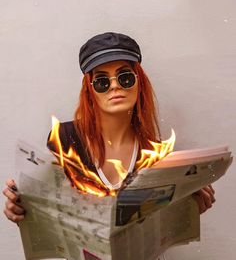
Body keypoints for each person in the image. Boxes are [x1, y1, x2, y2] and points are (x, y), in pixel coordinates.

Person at [3, 32, 215, 225]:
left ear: (139, 82)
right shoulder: (65, 139)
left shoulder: (156, 153)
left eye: (125, 78)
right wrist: (21, 208)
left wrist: (190, 207)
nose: (115, 86)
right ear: (90, 90)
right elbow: (50, 209)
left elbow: (163, 225)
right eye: (102, 81)